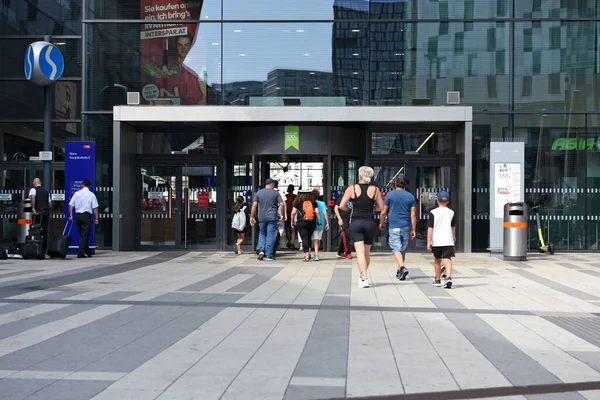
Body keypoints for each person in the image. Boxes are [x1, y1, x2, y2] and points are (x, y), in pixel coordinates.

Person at [340, 166, 384, 288]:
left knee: (359, 251)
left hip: (356, 222)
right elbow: (381, 208)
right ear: (370, 176)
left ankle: (364, 277)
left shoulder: (352, 188)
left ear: (359, 175)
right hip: (370, 222)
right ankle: (362, 276)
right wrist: (371, 209)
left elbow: (341, 205)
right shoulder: (375, 190)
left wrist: (350, 209)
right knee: (367, 251)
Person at [379, 174, 416, 281]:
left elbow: (383, 212)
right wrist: (413, 229)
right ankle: (400, 271)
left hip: (394, 226)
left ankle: (402, 267)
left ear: (395, 183)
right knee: (402, 249)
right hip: (405, 226)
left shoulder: (390, 195)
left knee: (395, 248)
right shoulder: (410, 196)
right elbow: (413, 214)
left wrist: (381, 223)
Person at [426, 191, 456, 289]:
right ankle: (448, 277)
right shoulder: (451, 212)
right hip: (448, 240)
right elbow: (453, 226)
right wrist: (454, 236)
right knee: (447, 259)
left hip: (437, 240)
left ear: (437, 201)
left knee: (437, 260)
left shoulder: (433, 212)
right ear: (448, 201)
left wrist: (428, 241)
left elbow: (430, 228)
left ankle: (437, 280)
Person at [250, 178, 284, 261]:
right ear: (272, 184)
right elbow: (282, 204)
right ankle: (269, 255)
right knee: (270, 235)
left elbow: (254, 205)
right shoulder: (275, 193)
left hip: (262, 217)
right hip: (272, 217)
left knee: (262, 233)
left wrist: (252, 216)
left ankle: (261, 250)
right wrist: (282, 214)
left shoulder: (259, 193)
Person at [68, 179, 99, 258]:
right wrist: (96, 218)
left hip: (78, 215)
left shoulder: (76, 194)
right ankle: (80, 252)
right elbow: (95, 208)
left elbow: (71, 205)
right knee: (85, 235)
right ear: (90, 186)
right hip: (86, 216)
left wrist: (71, 215)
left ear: (82, 185)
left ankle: (88, 252)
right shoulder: (91, 195)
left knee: (82, 234)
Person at [291, 190, 321, 262]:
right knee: (308, 237)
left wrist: (292, 221)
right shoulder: (313, 201)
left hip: (301, 222)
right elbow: (317, 212)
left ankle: (307, 255)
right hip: (311, 222)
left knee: (304, 238)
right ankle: (309, 253)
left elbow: (293, 213)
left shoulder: (297, 201)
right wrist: (319, 222)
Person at [29, 178, 52, 254]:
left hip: (38, 212)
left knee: (37, 230)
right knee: (45, 231)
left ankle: (37, 248)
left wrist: (33, 208)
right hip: (46, 212)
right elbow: (50, 203)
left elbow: (33, 197)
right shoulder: (46, 191)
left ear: (34, 183)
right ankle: (43, 249)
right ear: (40, 183)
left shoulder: (33, 189)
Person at [311, 189, 330, 261]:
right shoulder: (322, 203)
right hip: (322, 223)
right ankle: (316, 252)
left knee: (315, 240)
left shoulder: (312, 203)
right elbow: (325, 213)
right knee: (318, 239)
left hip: (315, 222)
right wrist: (327, 223)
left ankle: (316, 255)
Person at [273, 180, 287, 253]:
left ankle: (274, 243)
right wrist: (284, 214)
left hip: (270, 214)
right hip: (279, 214)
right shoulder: (281, 193)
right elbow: (284, 204)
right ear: (277, 185)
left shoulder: (268, 192)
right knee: (281, 228)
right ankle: (277, 242)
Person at [285, 184, 297, 249]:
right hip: (294, 213)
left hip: (287, 213)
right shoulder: (295, 197)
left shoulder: (285, 197)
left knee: (288, 229)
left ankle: (289, 242)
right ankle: (292, 242)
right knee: (293, 229)